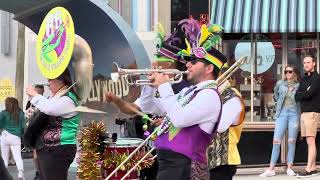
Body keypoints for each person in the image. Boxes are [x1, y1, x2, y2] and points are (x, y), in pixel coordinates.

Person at [26, 69, 80, 180]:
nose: (48, 82)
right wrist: (34, 113)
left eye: (50, 79)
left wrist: (35, 95)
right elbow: (47, 109)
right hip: (48, 149)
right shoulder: (55, 97)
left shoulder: (67, 98)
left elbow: (50, 109)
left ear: (61, 80)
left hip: (59, 149)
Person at [259, 65, 300, 177]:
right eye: (286, 71)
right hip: (282, 113)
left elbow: (300, 99)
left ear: (294, 73)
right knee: (276, 141)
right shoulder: (280, 84)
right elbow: (276, 95)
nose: (288, 73)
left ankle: (290, 167)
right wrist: (278, 105)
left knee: (291, 142)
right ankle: (271, 168)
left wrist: (292, 93)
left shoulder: (298, 85)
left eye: (290, 71)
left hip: (294, 113)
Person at [295, 56, 320, 178]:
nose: (306, 64)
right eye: (304, 62)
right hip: (304, 113)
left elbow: (309, 94)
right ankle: (313, 168)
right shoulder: (304, 78)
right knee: (309, 141)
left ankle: (308, 170)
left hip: (312, 112)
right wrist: (303, 92)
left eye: (308, 62)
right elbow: (296, 96)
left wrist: (303, 93)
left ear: (314, 63)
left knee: (311, 141)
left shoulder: (317, 78)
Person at [0, 97, 26, 180]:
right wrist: (22, 135)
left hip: (5, 135)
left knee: (4, 156)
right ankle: (20, 173)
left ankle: (4, 174)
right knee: (17, 156)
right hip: (16, 137)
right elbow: (23, 127)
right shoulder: (21, 113)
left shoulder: (3, 113)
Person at [25, 84, 44, 180]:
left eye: (39, 92)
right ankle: (38, 172)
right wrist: (28, 114)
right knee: (36, 156)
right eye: (36, 91)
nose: (37, 94)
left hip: (42, 131)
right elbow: (27, 114)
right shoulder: (30, 102)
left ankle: (41, 172)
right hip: (34, 131)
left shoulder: (44, 102)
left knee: (39, 155)